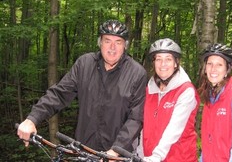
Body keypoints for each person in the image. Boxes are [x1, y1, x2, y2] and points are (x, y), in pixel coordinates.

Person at [17, 19, 148, 159]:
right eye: (107, 40)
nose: (112, 47)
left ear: (125, 46)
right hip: (85, 150)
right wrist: (32, 119)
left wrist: (116, 150)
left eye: (118, 42)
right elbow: (59, 94)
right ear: (100, 43)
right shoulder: (85, 64)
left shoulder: (137, 73)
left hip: (118, 155)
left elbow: (136, 118)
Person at [142, 38, 200, 162]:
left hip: (179, 158)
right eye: (158, 59)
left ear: (175, 63)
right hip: (150, 157)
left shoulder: (185, 91)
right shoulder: (150, 90)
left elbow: (174, 128)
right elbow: (144, 126)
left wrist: (157, 156)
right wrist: (141, 153)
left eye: (168, 59)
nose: (163, 64)